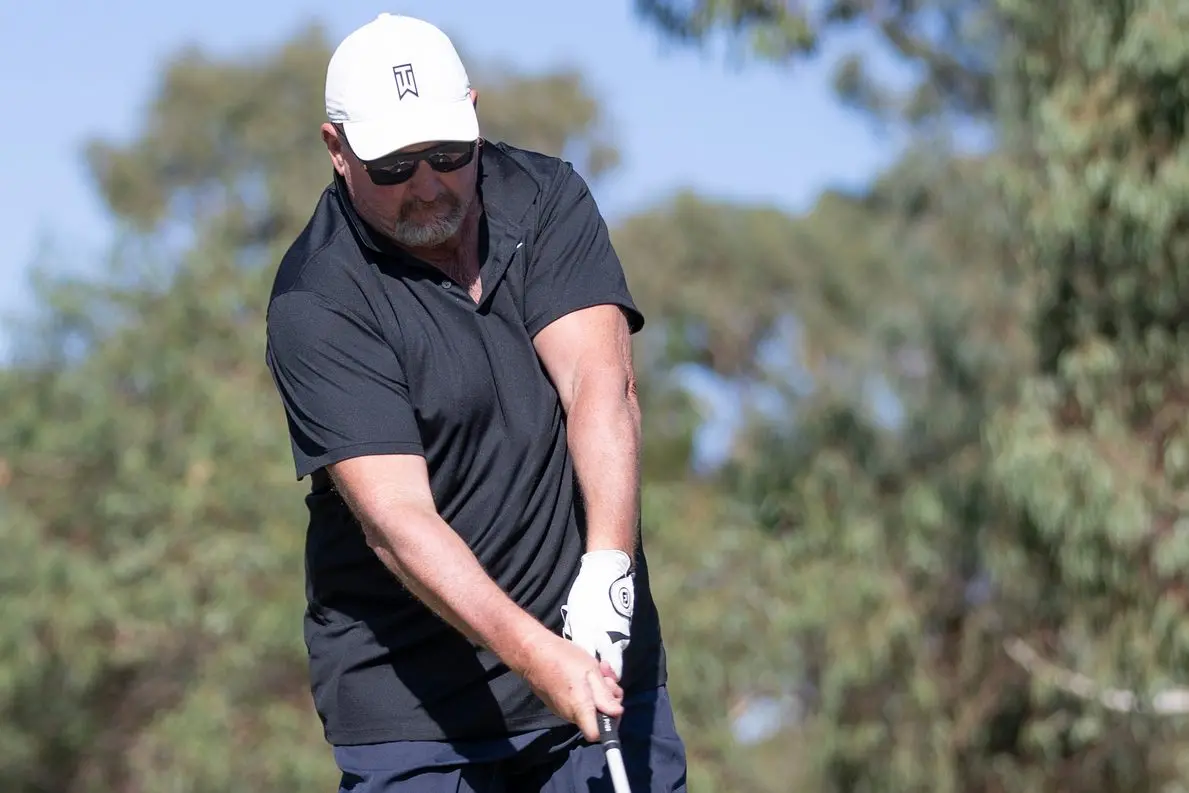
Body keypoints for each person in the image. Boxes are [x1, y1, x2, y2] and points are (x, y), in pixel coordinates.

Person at [263, 12, 688, 792]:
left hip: (600, 666)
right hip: (417, 714)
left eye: (448, 154)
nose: (428, 184)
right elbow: (398, 522)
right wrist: (538, 656)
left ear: (472, 113)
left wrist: (607, 566)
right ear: (336, 149)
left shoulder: (545, 200)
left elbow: (598, 384)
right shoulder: (318, 300)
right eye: (394, 166)